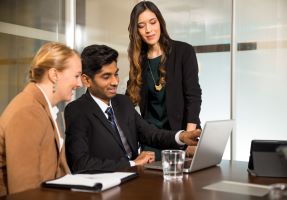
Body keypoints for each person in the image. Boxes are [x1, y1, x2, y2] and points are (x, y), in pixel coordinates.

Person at [64, 44, 200, 173]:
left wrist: (182, 136)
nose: (115, 82)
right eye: (106, 77)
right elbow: (80, 164)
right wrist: (133, 163)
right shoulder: (77, 110)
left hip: (137, 177)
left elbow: (151, 134)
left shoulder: (123, 102)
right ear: (86, 80)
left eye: (116, 74)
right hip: (108, 187)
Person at [0, 42, 82, 196]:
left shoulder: (45, 109)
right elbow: (24, 192)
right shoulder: (28, 112)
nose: (79, 83)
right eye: (76, 76)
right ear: (54, 75)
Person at [127, 1, 202, 160]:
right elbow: (127, 103)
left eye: (152, 22)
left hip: (184, 139)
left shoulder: (183, 51)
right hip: (152, 143)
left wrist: (189, 139)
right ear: (136, 31)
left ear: (160, 22)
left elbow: (193, 97)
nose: (148, 30)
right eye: (141, 26)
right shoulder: (138, 62)